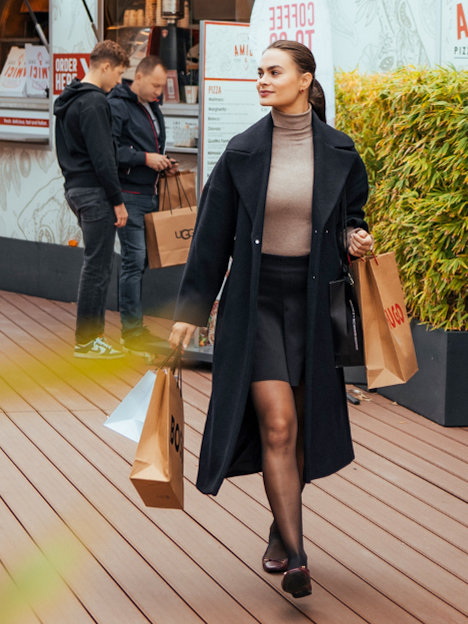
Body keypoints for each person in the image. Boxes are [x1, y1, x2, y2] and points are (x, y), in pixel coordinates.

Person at [168, 40, 374, 600]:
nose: (262, 79)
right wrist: (190, 312)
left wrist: (356, 236)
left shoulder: (340, 150)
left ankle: (281, 528)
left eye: (274, 71)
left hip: (313, 305)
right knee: (278, 424)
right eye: (258, 72)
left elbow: (353, 215)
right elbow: (211, 240)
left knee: (301, 428)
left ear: (305, 79)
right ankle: (299, 554)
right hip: (255, 304)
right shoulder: (242, 152)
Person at [53, 39, 130, 360]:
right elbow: (103, 157)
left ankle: (89, 339)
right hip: (96, 193)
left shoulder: (68, 100)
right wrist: (117, 200)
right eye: (120, 74)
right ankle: (87, 341)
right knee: (97, 267)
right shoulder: (95, 103)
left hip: (75, 188)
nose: (119, 83)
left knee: (95, 264)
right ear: (106, 66)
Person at [108, 55, 177, 358]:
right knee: (134, 262)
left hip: (148, 192)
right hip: (130, 195)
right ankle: (131, 333)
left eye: (162, 87)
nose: (159, 92)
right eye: (155, 85)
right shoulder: (118, 104)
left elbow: (148, 146)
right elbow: (110, 151)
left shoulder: (151, 105)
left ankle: (133, 329)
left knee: (139, 262)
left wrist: (161, 164)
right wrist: (146, 159)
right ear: (138, 76)